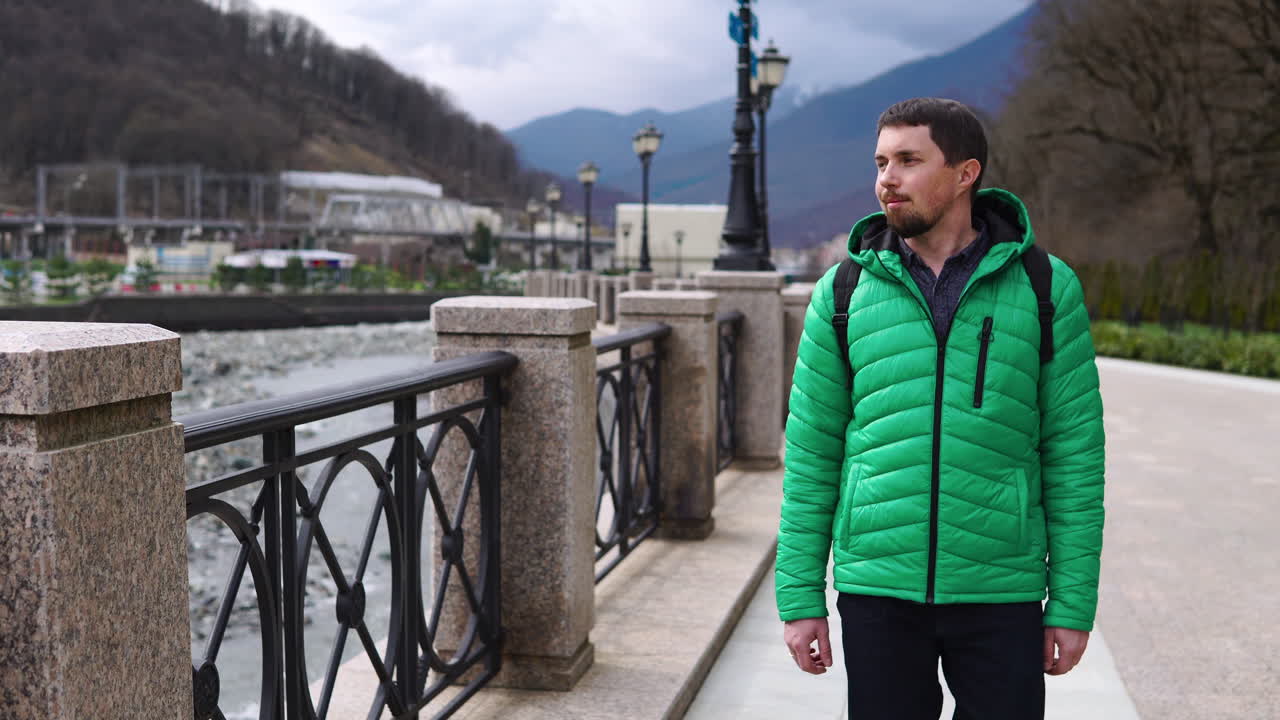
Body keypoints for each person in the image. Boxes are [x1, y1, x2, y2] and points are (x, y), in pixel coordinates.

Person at [776, 97, 1105, 719]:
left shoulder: (1044, 287)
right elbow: (812, 453)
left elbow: (1075, 456)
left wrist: (1070, 603)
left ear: (964, 173)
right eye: (880, 162)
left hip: (999, 587)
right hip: (878, 587)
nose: (886, 179)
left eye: (907, 160)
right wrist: (799, 596)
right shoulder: (842, 293)